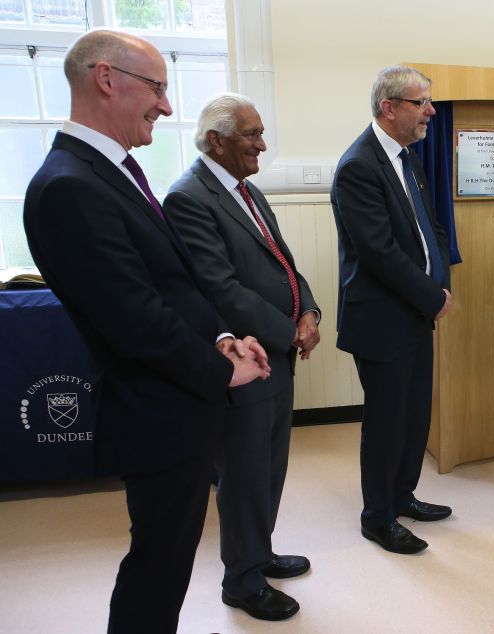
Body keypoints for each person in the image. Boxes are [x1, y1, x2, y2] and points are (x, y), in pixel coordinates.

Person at [22, 29, 270, 633]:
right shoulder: (68, 186)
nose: (165, 105)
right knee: (157, 565)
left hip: (175, 401)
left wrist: (219, 338)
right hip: (153, 411)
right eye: (157, 87)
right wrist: (223, 369)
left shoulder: (110, 171)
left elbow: (168, 285)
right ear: (107, 79)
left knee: (171, 557)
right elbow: (134, 318)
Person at [163, 93, 320, 621]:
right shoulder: (189, 197)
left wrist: (309, 310)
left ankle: (260, 550)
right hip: (247, 357)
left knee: (269, 468)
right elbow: (221, 288)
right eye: (251, 134)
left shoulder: (244, 191)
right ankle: (242, 581)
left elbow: (282, 262)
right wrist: (286, 332)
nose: (262, 143)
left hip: (276, 351)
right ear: (217, 140)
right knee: (246, 473)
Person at [330, 65, 453, 555]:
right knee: (386, 421)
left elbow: (430, 228)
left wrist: (439, 278)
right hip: (382, 317)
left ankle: (403, 496)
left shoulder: (407, 158)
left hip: (417, 311)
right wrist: (432, 296)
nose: (431, 111)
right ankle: (377, 517)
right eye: (421, 102)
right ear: (389, 108)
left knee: (414, 414)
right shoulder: (359, 165)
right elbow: (378, 252)